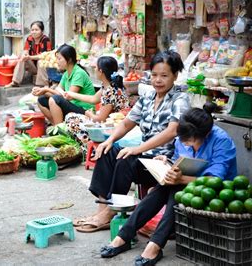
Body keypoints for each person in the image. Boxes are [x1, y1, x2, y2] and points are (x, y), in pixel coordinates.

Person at [100, 104, 237, 265]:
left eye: (191, 143)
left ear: (205, 135)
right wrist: (168, 163)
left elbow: (216, 181)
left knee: (176, 189)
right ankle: (123, 237)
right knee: (163, 188)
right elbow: (180, 161)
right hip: (186, 183)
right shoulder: (183, 136)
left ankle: (154, 245)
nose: (186, 145)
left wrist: (181, 180)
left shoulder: (221, 141)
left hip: (217, 191)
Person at [74, 51, 190, 232]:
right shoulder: (148, 98)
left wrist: (137, 149)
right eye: (155, 75)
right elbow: (127, 122)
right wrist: (109, 140)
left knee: (126, 160)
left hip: (164, 162)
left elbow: (172, 131)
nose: (158, 80)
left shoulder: (180, 99)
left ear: (175, 75)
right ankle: (103, 209)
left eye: (164, 75)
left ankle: (111, 212)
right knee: (109, 151)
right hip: (145, 156)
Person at [65, 56, 130, 145]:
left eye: (96, 67)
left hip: (111, 128)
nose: (94, 69)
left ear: (101, 71)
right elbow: (93, 99)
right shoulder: (109, 85)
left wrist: (88, 113)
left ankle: (88, 149)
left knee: (72, 121)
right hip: (108, 124)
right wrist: (72, 94)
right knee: (71, 116)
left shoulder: (110, 91)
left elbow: (99, 119)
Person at [34, 44, 95, 125]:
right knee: (41, 100)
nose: (57, 61)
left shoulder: (79, 73)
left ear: (69, 60)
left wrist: (46, 89)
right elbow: (58, 92)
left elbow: (68, 97)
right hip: (72, 105)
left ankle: (60, 130)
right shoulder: (66, 73)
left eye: (59, 59)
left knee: (54, 100)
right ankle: (56, 126)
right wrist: (41, 91)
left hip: (85, 110)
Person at [5, 21, 51, 88]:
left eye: (36, 30)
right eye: (32, 30)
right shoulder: (29, 38)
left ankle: (41, 84)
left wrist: (29, 57)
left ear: (42, 31)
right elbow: (26, 50)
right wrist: (25, 55)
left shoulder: (45, 40)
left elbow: (44, 56)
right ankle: (15, 82)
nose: (34, 32)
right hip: (33, 67)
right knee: (22, 56)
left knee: (41, 60)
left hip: (44, 68)